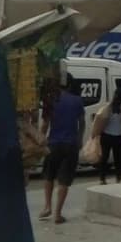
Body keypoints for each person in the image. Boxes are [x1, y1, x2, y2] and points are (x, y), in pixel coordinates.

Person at [40, 73, 85, 224]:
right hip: (71, 144)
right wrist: (79, 139)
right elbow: (82, 122)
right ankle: (57, 215)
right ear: (70, 84)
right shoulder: (77, 100)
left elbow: (45, 124)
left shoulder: (51, 99)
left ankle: (47, 206)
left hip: (53, 143)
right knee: (64, 180)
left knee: (48, 176)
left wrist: (40, 140)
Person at [95, 88, 121, 184]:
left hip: (106, 135)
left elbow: (101, 120)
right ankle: (118, 177)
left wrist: (97, 133)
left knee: (104, 157)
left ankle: (102, 178)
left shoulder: (107, 107)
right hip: (118, 136)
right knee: (118, 158)